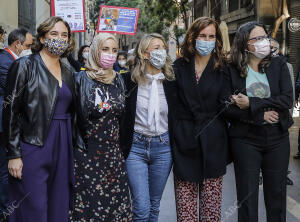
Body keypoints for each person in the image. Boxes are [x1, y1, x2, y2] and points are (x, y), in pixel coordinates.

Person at [4, 16, 79, 222]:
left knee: (59, 204)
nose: (59, 39)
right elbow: (10, 111)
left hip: (63, 144)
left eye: (64, 35)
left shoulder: (69, 72)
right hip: (33, 143)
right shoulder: (25, 66)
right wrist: (13, 154)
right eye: (54, 34)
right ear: (43, 38)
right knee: (33, 207)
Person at [221, 21, 293, 222]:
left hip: (277, 138)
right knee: (247, 197)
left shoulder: (279, 64)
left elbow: (287, 99)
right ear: (245, 44)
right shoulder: (231, 69)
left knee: (277, 196)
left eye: (266, 37)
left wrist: (251, 103)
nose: (265, 42)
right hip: (245, 140)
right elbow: (227, 107)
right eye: (258, 38)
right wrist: (259, 115)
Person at [70, 33, 132, 221]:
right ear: (96, 50)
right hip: (86, 156)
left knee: (114, 209)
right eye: (105, 49)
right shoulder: (78, 78)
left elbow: (123, 118)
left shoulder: (119, 79)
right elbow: (71, 118)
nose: (110, 54)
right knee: (88, 209)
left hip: (113, 157)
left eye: (114, 50)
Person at [172, 17, 229, 222]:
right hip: (184, 141)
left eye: (211, 36)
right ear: (193, 38)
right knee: (186, 213)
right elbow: (171, 107)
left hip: (214, 142)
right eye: (202, 35)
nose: (206, 40)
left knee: (211, 212)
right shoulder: (178, 67)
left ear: (217, 39)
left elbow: (226, 105)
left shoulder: (224, 68)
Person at [120, 33, 176, 222]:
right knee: (141, 208)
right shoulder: (129, 81)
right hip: (136, 147)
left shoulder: (170, 82)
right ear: (144, 53)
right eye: (156, 48)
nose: (161, 51)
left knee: (154, 206)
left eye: (163, 47)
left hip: (163, 147)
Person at [0, 27, 32, 221]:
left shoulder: (12, 60)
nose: (29, 49)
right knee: (5, 169)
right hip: (5, 124)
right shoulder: (5, 62)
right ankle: (5, 209)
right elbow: (19, 91)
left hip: (12, 123)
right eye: (28, 46)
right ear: (17, 44)